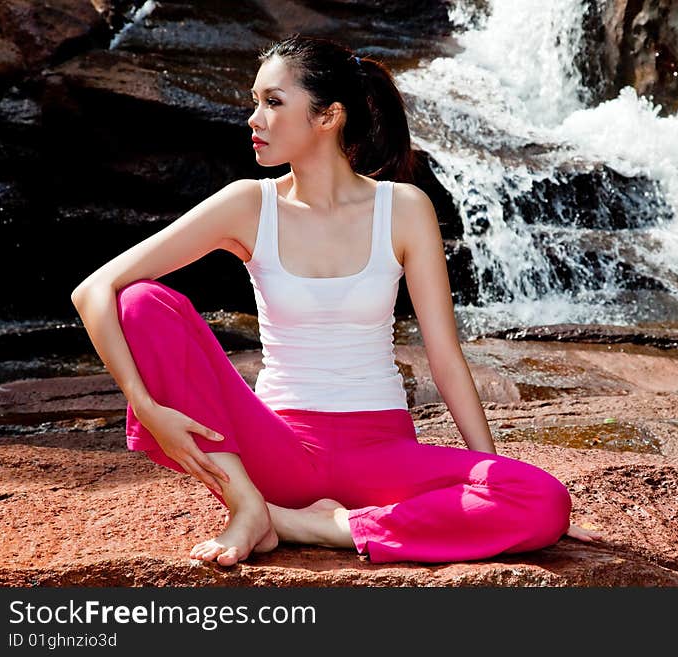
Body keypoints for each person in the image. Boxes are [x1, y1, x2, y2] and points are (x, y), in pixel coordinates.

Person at [70, 34, 602, 567]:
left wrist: (490, 480)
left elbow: (445, 360)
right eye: (255, 101)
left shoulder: (405, 208)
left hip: (382, 454)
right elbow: (95, 290)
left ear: (328, 117)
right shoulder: (248, 204)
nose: (254, 119)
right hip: (274, 448)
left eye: (273, 102)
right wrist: (145, 406)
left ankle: (312, 526)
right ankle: (248, 503)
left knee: (542, 500)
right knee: (141, 302)